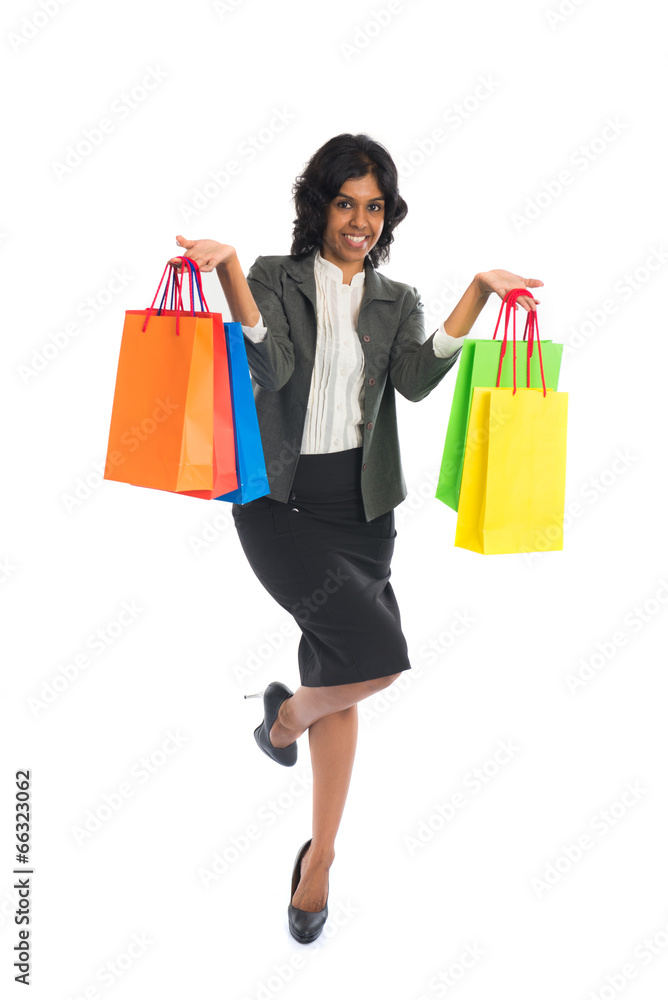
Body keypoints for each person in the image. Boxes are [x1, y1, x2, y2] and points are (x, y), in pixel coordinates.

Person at [168, 132, 541, 944]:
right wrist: (229, 271)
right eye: (347, 203)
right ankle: (284, 723)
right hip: (281, 505)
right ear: (320, 205)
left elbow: (412, 379)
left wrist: (476, 292)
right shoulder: (275, 275)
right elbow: (268, 370)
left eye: (374, 207)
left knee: (344, 664)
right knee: (376, 657)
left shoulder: (395, 298)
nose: (360, 221)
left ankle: (320, 859)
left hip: (364, 511)